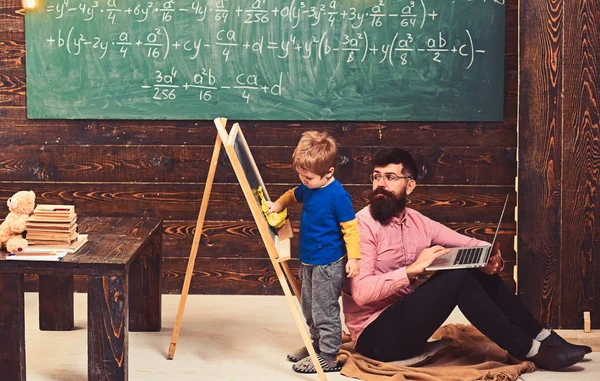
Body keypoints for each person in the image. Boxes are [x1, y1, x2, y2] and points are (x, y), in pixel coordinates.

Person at [342, 147, 592, 371]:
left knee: (471, 268)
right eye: (376, 176)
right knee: (457, 278)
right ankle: (529, 350)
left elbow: (471, 244)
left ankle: (543, 336)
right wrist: (412, 269)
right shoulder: (363, 225)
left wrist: (491, 258)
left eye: (390, 177)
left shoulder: (419, 222)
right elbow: (362, 292)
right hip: (375, 338)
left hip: (406, 324)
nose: (380, 184)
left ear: (410, 186)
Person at [266, 131, 361, 374]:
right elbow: (292, 194)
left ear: (329, 171)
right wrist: (278, 204)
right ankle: (316, 346)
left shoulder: (338, 196)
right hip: (309, 260)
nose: (303, 180)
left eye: (307, 177)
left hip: (328, 264)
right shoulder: (308, 187)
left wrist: (354, 258)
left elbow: (350, 229)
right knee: (308, 307)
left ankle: (328, 356)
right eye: (300, 175)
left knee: (324, 310)